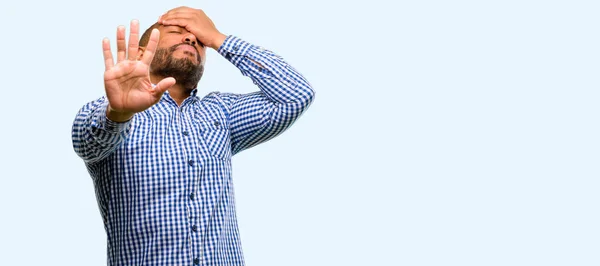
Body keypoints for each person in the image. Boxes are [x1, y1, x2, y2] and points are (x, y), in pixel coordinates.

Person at [71, 6, 315, 266]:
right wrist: (119, 111)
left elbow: (296, 94)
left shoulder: (222, 113)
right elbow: (87, 142)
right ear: (142, 53)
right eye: (177, 32)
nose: (190, 39)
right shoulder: (115, 112)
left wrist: (219, 39)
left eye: (200, 41)